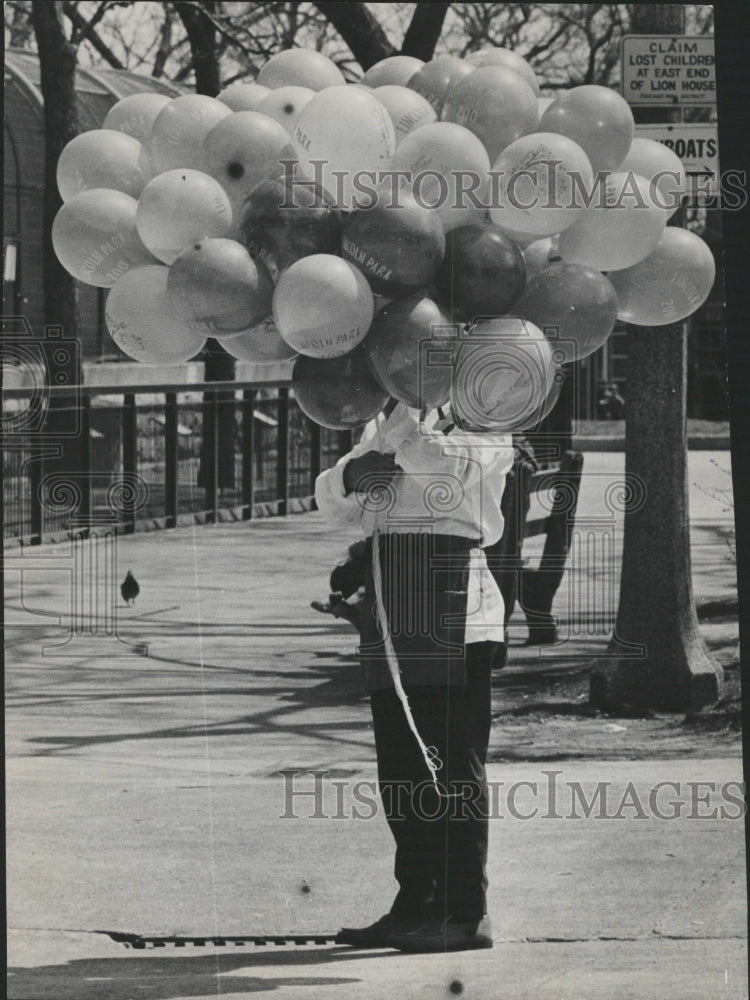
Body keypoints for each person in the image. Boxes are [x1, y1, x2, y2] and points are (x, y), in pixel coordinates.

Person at [315, 399, 514, 953]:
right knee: (400, 767)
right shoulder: (394, 413)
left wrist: (389, 431)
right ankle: (417, 899)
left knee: (450, 763)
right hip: (392, 598)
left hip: (451, 599)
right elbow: (337, 502)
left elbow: (440, 463)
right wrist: (354, 473)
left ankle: (463, 911)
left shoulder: (485, 414)